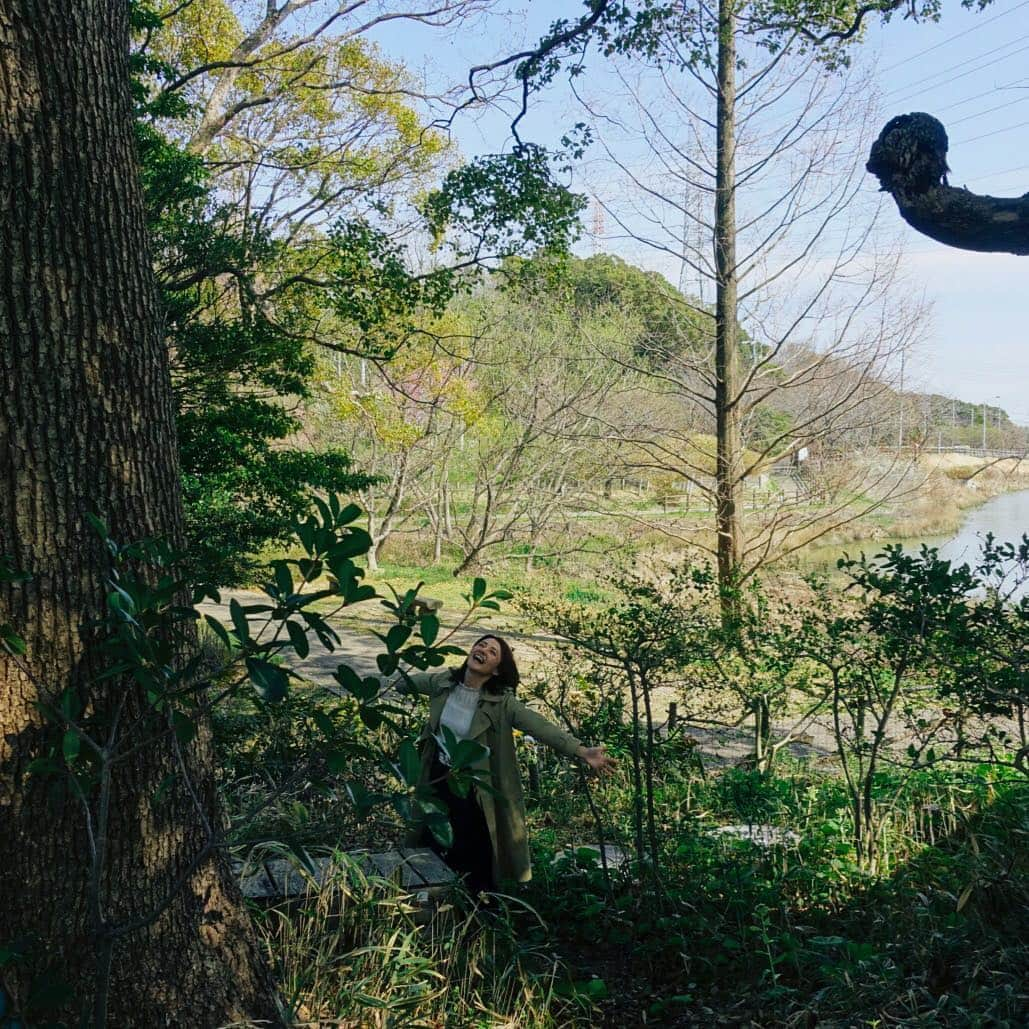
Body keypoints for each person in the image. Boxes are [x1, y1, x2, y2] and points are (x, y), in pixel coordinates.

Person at [394, 634, 616, 897]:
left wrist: (581, 751)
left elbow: (539, 725)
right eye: (481, 645)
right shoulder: (443, 683)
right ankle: (427, 902)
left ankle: (479, 908)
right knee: (429, 839)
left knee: (472, 849)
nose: (483, 651)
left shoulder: (502, 703)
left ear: (497, 668)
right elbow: (401, 684)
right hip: (436, 778)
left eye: (492, 652)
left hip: (473, 786)